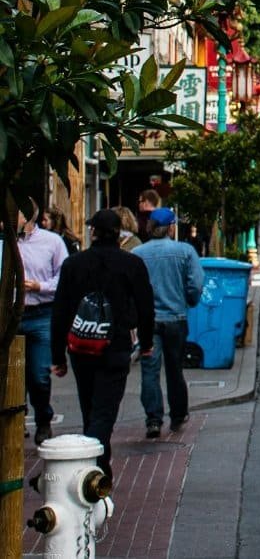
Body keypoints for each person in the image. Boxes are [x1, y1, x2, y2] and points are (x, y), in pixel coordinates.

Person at [50, 209, 155, 476]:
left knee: (90, 406)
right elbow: (145, 307)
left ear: (93, 232)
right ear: (119, 234)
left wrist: (58, 356)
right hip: (115, 345)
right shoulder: (131, 264)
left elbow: (60, 310)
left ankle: (97, 465)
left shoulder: (74, 264)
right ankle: (93, 466)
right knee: (105, 410)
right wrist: (146, 342)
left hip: (82, 346)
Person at [132, 208, 204, 438]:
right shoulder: (185, 251)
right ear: (171, 227)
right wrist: (189, 300)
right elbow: (195, 285)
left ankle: (153, 419)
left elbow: (132, 288)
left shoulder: (138, 253)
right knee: (175, 369)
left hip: (148, 321)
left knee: (149, 370)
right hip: (175, 318)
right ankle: (178, 414)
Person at [18, 200, 69, 445]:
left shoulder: (52, 242)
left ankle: (43, 421)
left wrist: (41, 286)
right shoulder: (5, 241)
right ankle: (15, 420)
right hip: (11, 314)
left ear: (28, 217)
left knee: (38, 374)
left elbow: (64, 276)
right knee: (12, 373)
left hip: (41, 313)